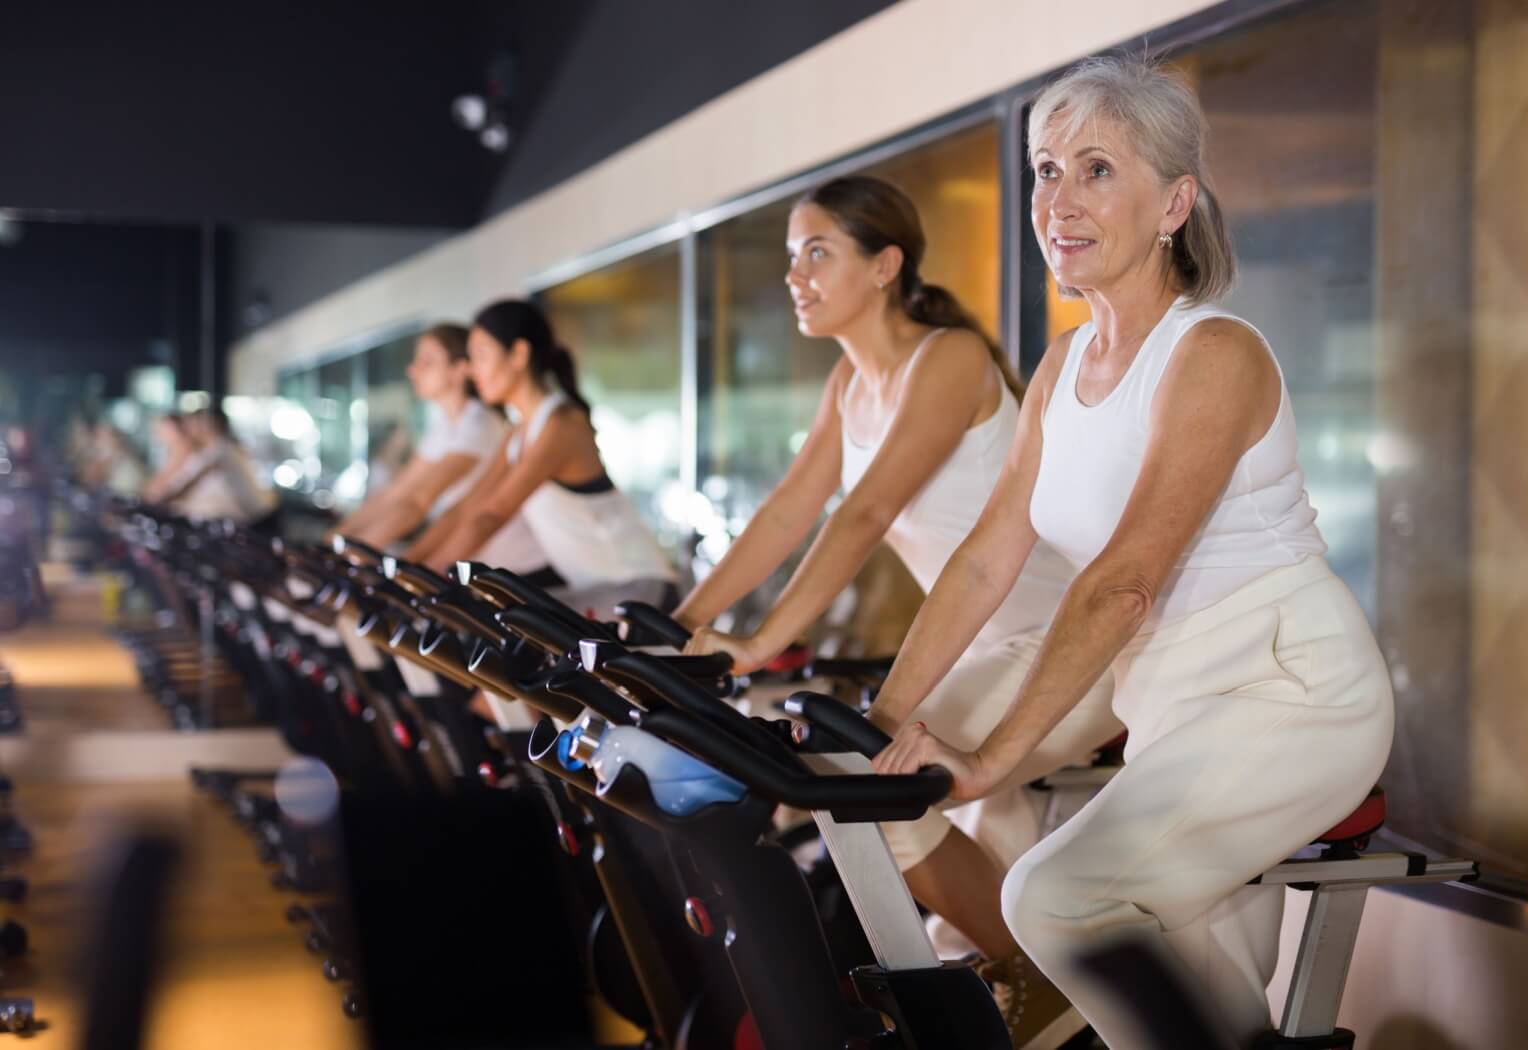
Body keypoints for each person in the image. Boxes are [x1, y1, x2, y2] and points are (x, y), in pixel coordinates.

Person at [869, 55, 1393, 1049]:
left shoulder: (1214, 352)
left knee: (1057, 897)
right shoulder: (1063, 366)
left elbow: (1123, 583)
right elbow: (985, 560)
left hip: (1288, 692)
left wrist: (986, 762)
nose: (1058, 200)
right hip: (1164, 702)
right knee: (1197, 1003)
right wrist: (882, 724)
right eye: (1046, 169)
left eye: (1097, 169)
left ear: (1173, 205)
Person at [677, 174, 1120, 1048]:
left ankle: (1040, 976)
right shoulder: (850, 384)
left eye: (817, 253)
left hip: (1070, 645)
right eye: (792, 257)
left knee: (863, 783)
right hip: (983, 652)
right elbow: (786, 513)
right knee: (862, 783)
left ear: (885, 266)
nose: (795, 275)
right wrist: (679, 626)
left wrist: (759, 643)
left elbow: (864, 513)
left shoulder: (949, 358)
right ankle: (1021, 972)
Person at [404, 299, 675, 607]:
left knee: (500, 622)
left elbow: (493, 514)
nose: (472, 369)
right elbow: (468, 507)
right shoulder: (518, 433)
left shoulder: (562, 423)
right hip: (598, 591)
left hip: (640, 589)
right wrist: (409, 567)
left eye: (480, 355)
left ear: (519, 354)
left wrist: (431, 574)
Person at [332, 324, 506, 548]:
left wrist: (348, 550)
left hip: (498, 561)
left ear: (460, 369)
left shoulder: (479, 423)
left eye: (427, 362)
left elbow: (418, 502)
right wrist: (335, 538)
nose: (412, 370)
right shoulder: (444, 425)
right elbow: (397, 491)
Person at [155, 406, 277, 525]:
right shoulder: (210, 451)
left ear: (208, 426)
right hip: (233, 521)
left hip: (246, 523)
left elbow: (188, 484)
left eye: (193, 424)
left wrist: (161, 500)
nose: (188, 429)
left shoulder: (222, 450)